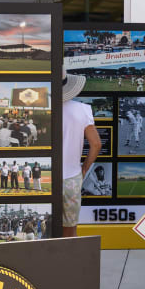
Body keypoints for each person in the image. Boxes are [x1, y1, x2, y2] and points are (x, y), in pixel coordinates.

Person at [60, 73, 101, 238]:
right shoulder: (81, 109)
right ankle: (69, 262)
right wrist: (84, 168)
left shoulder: (41, 108)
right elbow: (96, 144)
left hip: (45, 178)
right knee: (70, 229)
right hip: (71, 177)